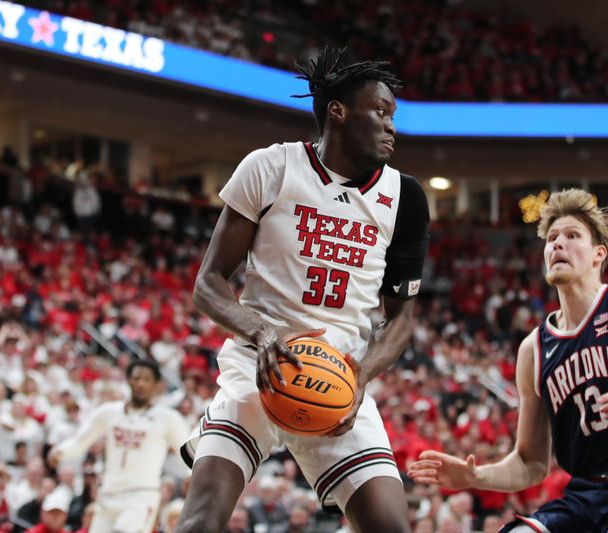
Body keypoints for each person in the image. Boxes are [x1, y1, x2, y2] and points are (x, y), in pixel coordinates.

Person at [175, 46, 429, 533]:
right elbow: (207, 284)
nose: (392, 125)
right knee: (200, 522)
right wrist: (263, 334)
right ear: (337, 111)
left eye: (393, 115)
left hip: (339, 372)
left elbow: (400, 320)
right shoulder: (270, 167)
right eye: (380, 111)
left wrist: (361, 375)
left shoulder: (406, 197)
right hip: (259, 363)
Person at [408, 189, 608, 532]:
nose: (558, 244)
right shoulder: (534, 349)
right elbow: (530, 463)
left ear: (599, 254)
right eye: (552, 238)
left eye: (572, 236)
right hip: (585, 498)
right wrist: (475, 475)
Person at [47, 360, 189, 533]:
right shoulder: (109, 412)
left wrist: (194, 476)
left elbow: (189, 452)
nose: (141, 383)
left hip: (141, 496)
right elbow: (81, 440)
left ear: (157, 385)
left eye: (147, 379)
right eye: (136, 378)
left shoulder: (168, 418)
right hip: (108, 494)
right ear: (128, 380)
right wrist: (60, 453)